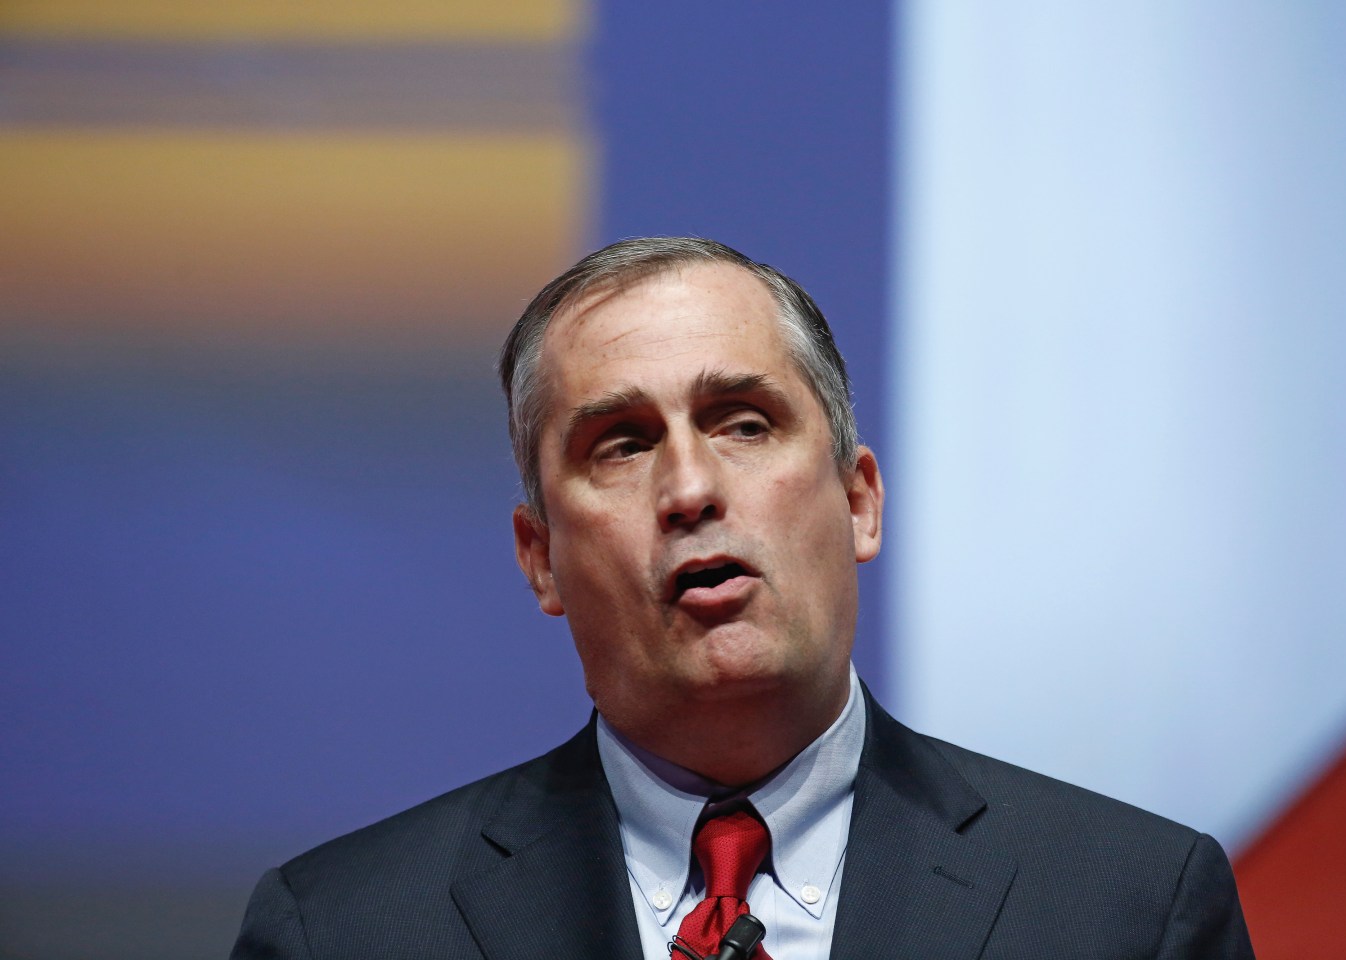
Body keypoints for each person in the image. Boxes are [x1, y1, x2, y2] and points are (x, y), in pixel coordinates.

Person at [231, 237, 1254, 959]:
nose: (690, 489)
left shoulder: (1128, 912)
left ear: (858, 502)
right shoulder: (344, 932)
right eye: (621, 445)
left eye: (743, 423)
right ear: (540, 559)